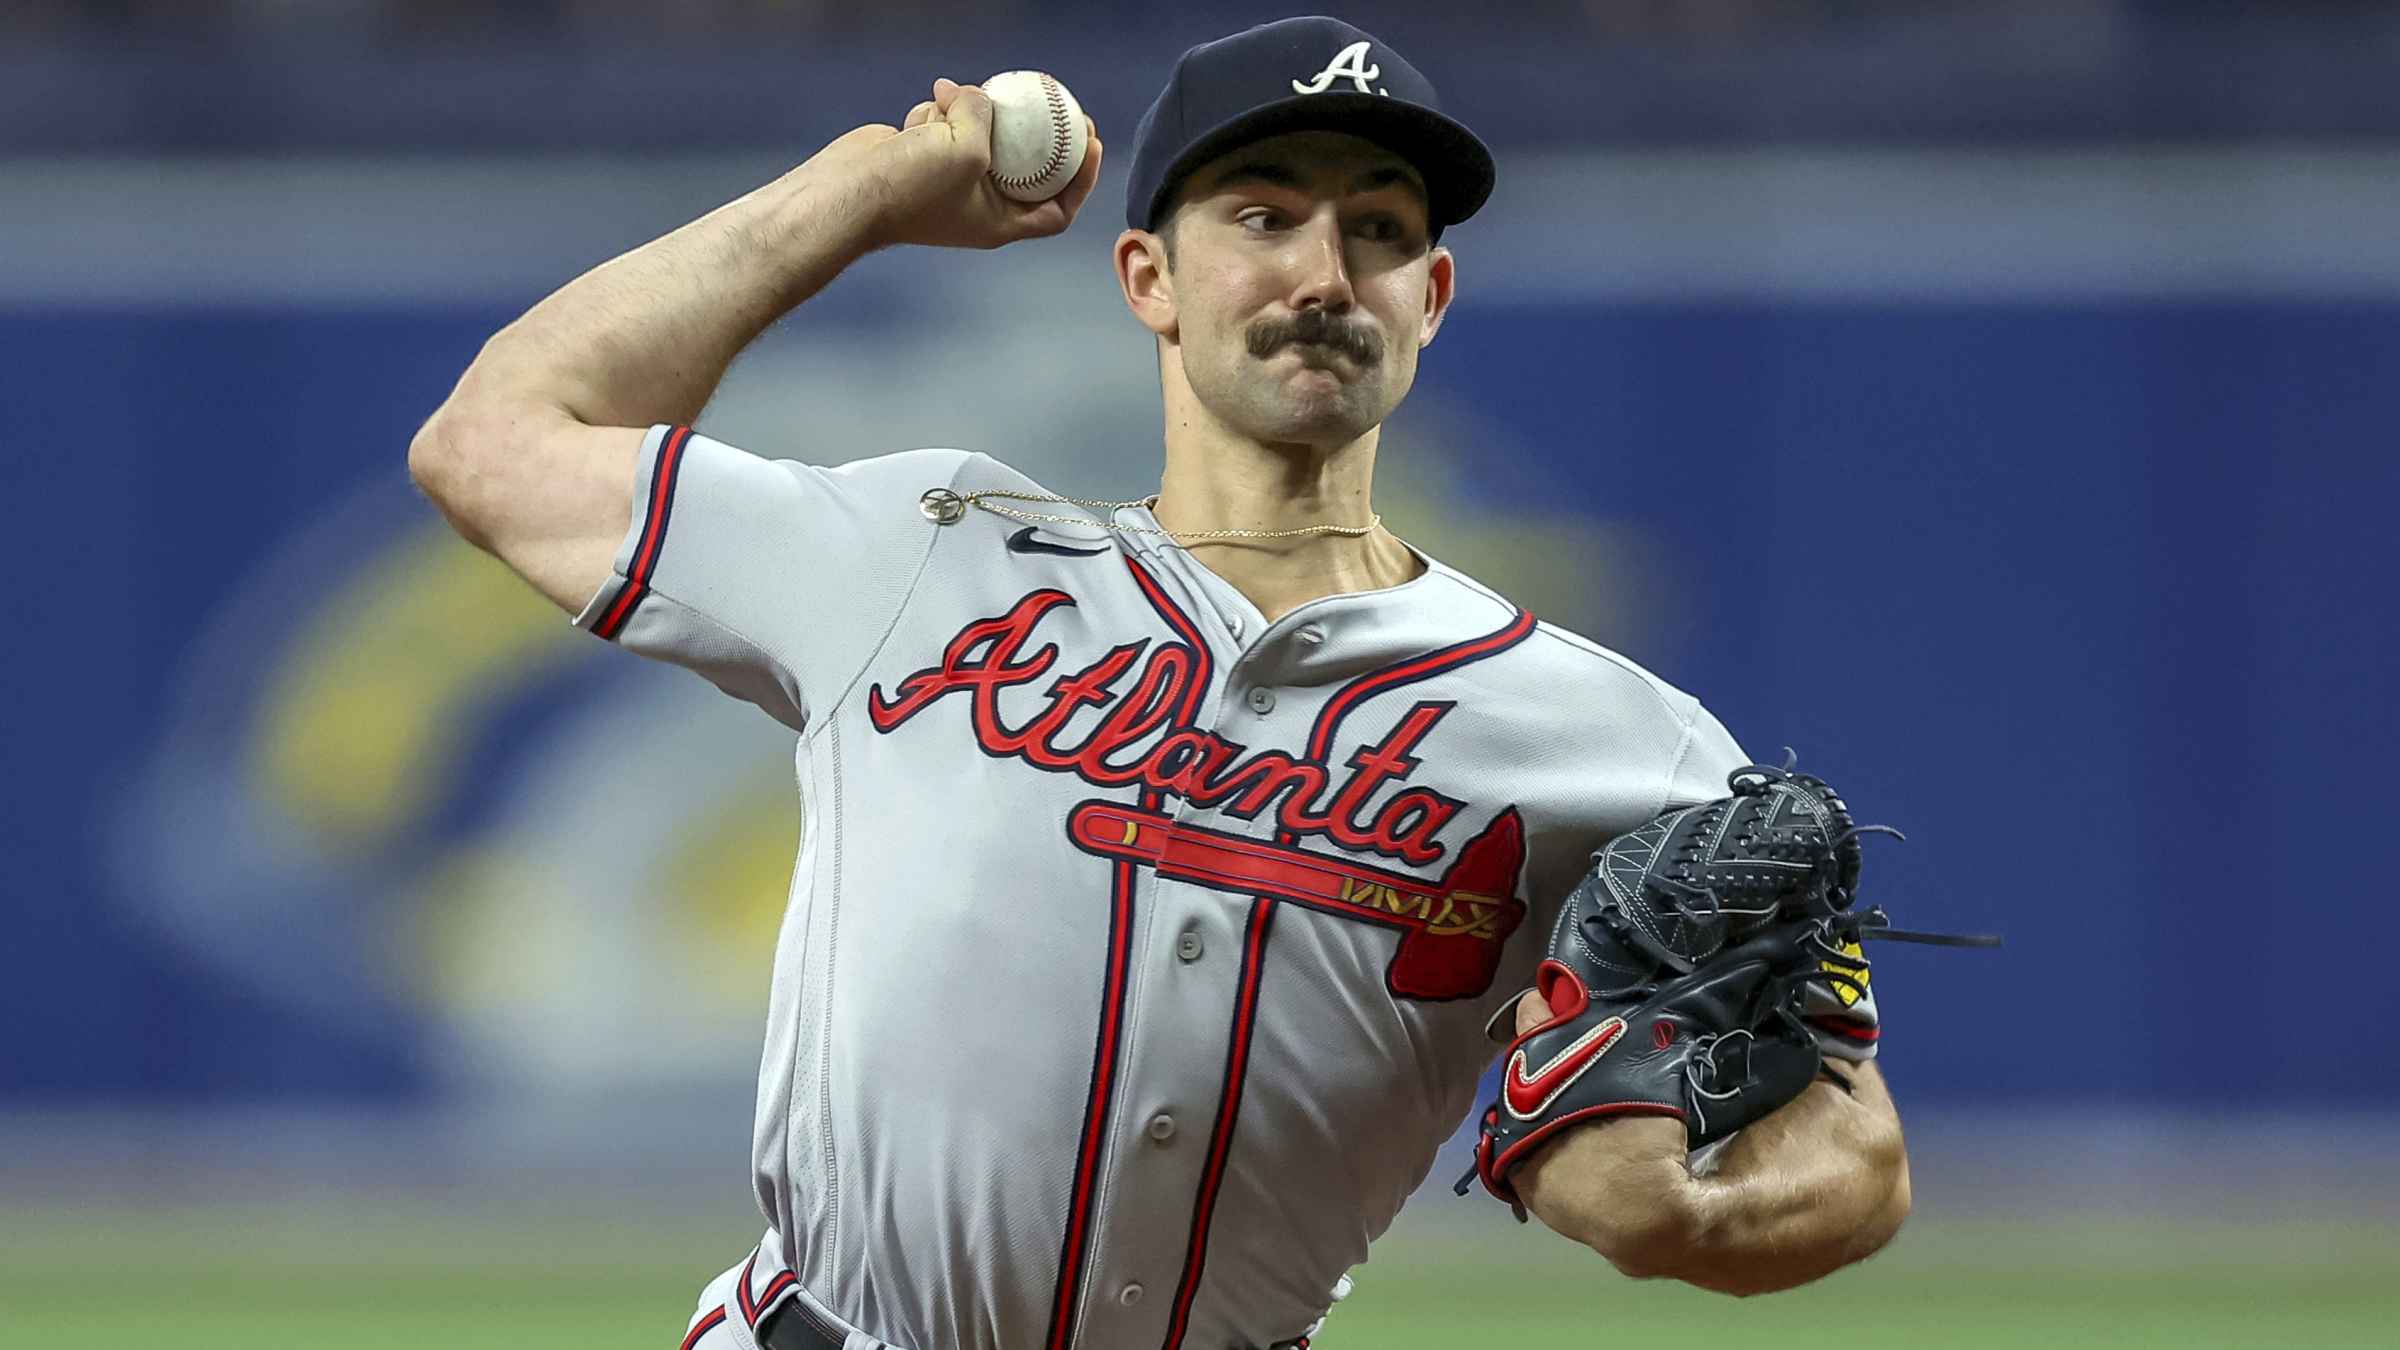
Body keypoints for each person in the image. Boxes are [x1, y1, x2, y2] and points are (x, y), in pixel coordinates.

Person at [407, 16, 1911, 1350]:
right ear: (1149, 278)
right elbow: (495, 443)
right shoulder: (919, 554)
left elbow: (1862, 1157)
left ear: (1432, 294)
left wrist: (1698, 1209)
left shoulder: (1616, 747)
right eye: (1264, 216)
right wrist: (862, 189)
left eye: (1379, 231)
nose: (1324, 272)